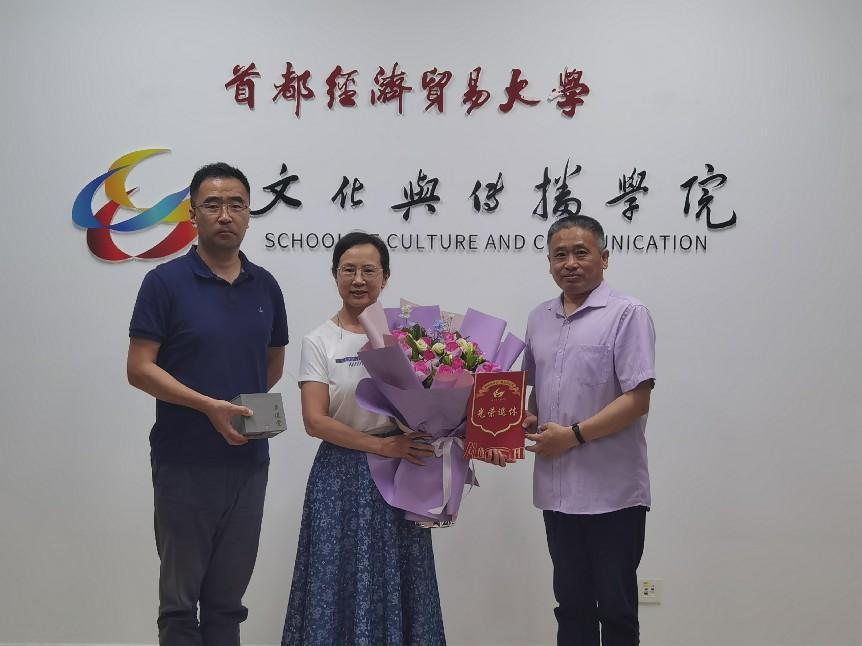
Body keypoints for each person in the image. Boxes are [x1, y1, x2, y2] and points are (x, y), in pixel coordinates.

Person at [127, 162, 289, 645]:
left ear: (249, 214)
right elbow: (139, 367)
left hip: (248, 463)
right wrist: (208, 406)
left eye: (236, 204)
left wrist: (238, 409)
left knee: (227, 606)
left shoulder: (266, 286)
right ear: (192, 214)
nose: (225, 215)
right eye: (212, 205)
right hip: (184, 463)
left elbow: (271, 362)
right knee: (180, 606)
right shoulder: (165, 282)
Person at [495, 214, 656, 646]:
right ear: (549, 263)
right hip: (558, 491)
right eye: (559, 255)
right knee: (571, 607)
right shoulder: (539, 318)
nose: (570, 263)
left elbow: (637, 399)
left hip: (613, 493)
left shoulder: (627, 314)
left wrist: (573, 435)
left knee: (617, 610)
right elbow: (535, 392)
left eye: (581, 253)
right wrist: (523, 418)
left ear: (605, 257)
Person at [282, 231, 446, 646]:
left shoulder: (411, 337)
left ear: (385, 277)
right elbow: (315, 421)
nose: (358, 279)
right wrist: (382, 446)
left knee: (402, 575)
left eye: (369, 270)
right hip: (340, 475)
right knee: (336, 576)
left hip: (403, 469)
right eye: (348, 270)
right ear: (335, 275)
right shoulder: (319, 340)